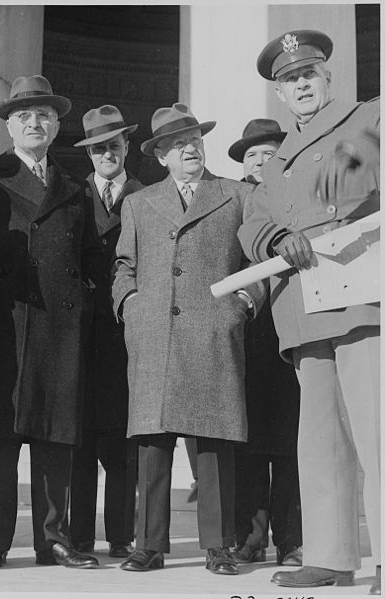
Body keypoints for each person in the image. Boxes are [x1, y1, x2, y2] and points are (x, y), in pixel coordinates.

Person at [238, 30, 380, 593]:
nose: (299, 86)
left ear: (327, 78)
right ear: (278, 94)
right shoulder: (273, 165)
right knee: (319, 438)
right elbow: (252, 221)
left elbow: (352, 179)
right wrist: (275, 237)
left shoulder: (367, 118)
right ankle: (330, 554)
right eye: (288, 81)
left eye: (307, 75)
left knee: (378, 433)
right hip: (303, 304)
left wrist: (311, 228)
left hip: (360, 292)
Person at [112, 103, 265, 576]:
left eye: (194, 139)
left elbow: (255, 260)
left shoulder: (236, 194)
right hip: (155, 331)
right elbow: (124, 265)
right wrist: (130, 305)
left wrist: (243, 304)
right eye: (177, 144)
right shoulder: (138, 202)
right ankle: (149, 545)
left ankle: (220, 546)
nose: (189, 148)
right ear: (160, 156)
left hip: (213, 329)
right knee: (153, 443)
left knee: (215, 441)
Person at [0, 75, 100, 570]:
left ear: (58, 124)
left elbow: (89, 259)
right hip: (6, 320)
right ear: (8, 125)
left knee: (53, 436)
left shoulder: (75, 187)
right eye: (24, 116)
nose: (35, 122)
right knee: (3, 435)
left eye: (43, 114)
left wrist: (79, 304)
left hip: (59, 327)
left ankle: (53, 541)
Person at [227, 119, 303, 568]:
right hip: (244, 333)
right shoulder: (232, 201)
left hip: (292, 326)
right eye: (252, 156)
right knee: (248, 443)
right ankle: (249, 537)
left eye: (268, 154)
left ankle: (290, 540)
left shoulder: (294, 198)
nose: (260, 162)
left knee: (291, 441)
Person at [69, 104, 141, 559]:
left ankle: (120, 535)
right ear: (89, 154)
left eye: (113, 145)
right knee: (81, 441)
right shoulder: (73, 196)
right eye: (98, 148)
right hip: (79, 336)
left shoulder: (146, 194)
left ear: (127, 147)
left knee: (122, 444)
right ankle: (78, 537)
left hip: (127, 335)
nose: (106, 154)